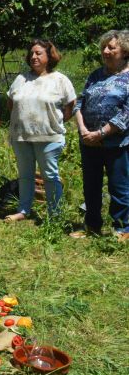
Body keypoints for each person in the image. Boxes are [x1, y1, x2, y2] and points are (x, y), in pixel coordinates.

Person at [5, 40, 75, 222]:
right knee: (25, 175)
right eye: (32, 54)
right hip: (21, 135)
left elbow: (70, 106)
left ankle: (55, 215)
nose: (34, 57)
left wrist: (54, 122)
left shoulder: (60, 80)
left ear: (49, 57)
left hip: (49, 136)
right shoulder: (21, 79)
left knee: (50, 176)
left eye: (39, 53)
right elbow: (11, 103)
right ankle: (23, 210)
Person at [72, 29, 129, 239]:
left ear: (124, 51)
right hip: (89, 142)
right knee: (91, 186)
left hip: (117, 144)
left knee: (119, 187)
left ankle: (122, 229)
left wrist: (101, 133)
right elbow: (80, 103)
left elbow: (126, 114)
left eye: (111, 47)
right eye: (104, 47)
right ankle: (92, 226)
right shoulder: (96, 75)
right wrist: (84, 130)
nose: (105, 51)